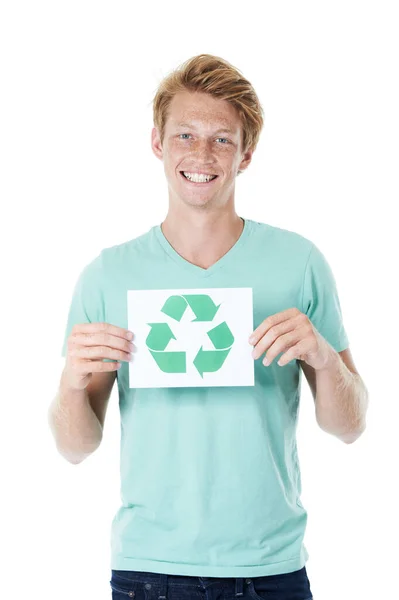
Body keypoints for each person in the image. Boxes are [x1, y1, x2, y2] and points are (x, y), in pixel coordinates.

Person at [48, 54, 368, 600]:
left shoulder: (299, 262)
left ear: (246, 154)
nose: (201, 154)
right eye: (185, 135)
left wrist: (321, 355)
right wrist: (72, 384)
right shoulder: (107, 274)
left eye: (222, 139)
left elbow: (350, 426)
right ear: (158, 143)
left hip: (272, 569)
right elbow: (76, 447)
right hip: (148, 569)